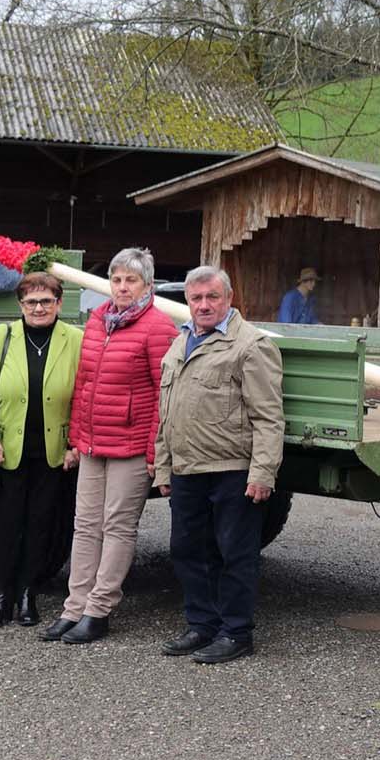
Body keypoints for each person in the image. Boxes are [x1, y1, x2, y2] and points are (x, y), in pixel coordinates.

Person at [47, 247, 176, 645]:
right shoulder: (99, 320)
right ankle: (74, 606)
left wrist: (156, 452)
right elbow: (84, 384)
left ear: (147, 286)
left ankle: (99, 609)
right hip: (92, 443)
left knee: (117, 527)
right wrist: (74, 439)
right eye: (117, 279)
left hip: (132, 444)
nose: (122, 287)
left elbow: (163, 395)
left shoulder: (158, 327)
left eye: (131, 280)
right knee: (84, 526)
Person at [156, 265, 284, 664]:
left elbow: (269, 416)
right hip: (187, 469)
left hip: (232, 469)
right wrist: (164, 468)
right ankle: (201, 625)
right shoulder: (180, 343)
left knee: (234, 553)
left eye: (212, 297)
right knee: (187, 550)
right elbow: (167, 413)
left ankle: (236, 632)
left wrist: (262, 473)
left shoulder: (251, 345)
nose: (204, 305)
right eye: (196, 298)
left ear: (229, 299)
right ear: (188, 301)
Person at [0, 272, 83, 629]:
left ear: (59, 303)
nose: (38, 308)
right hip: (8, 448)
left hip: (53, 449)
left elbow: (83, 395)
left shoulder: (75, 340)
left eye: (46, 301)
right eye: (31, 302)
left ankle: (27, 594)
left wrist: (74, 443)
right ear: (20, 305)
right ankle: (1, 594)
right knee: (6, 523)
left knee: (41, 523)